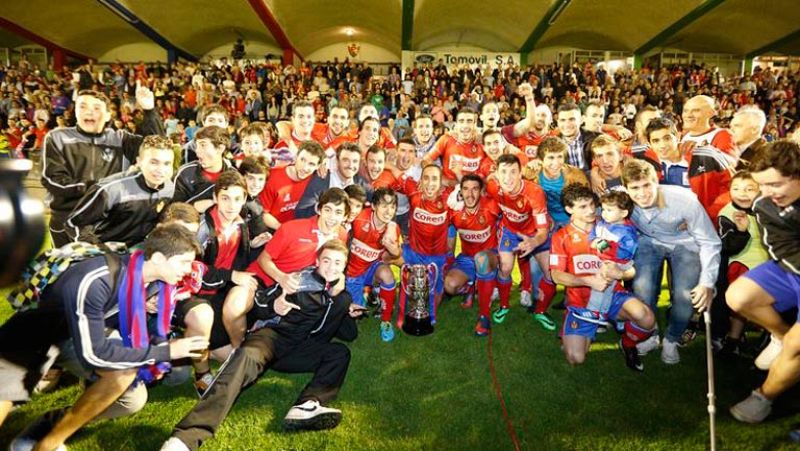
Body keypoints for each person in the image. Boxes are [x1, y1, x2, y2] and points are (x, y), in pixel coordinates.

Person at [0, 226, 207, 449]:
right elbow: (95, 354)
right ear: (157, 258)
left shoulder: (157, 283)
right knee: (4, 393)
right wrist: (167, 351)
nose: (188, 269)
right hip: (37, 332)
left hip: (81, 334)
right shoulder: (98, 277)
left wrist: (158, 349)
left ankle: (46, 439)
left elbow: (134, 329)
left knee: (130, 396)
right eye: (184, 262)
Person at [161, 241, 363, 450]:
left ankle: (307, 404)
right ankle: (186, 438)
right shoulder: (297, 280)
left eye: (338, 263)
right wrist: (275, 306)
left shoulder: (341, 296)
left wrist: (346, 308)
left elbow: (349, 334)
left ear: (344, 267)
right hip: (274, 338)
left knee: (340, 353)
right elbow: (258, 304)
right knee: (245, 357)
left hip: (302, 349)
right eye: (327, 261)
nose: (331, 267)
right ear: (317, 261)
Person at [726, 141, 800, 423]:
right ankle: (780, 335)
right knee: (738, 296)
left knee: (797, 344)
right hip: (791, 267)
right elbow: (781, 250)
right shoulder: (765, 205)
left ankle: (763, 397)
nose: (766, 193)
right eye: (762, 185)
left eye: (774, 184)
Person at [622, 160, 721, 364]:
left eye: (647, 185)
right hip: (650, 241)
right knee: (642, 288)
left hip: (686, 243)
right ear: (626, 188)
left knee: (686, 296)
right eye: (635, 188)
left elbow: (710, 242)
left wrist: (707, 282)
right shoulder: (622, 199)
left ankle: (671, 339)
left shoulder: (684, 200)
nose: (642, 193)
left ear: (656, 181)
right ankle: (649, 334)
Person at [550, 184, 655, 372]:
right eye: (582, 207)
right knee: (576, 358)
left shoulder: (611, 223)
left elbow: (631, 270)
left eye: (592, 204)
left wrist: (621, 274)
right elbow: (556, 275)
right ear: (569, 209)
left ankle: (628, 344)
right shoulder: (561, 237)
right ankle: (582, 330)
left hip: (613, 294)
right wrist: (587, 281)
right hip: (581, 303)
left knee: (646, 318)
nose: (591, 210)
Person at [42, 87, 163, 247]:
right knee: (67, 270)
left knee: (107, 269)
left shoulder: (120, 139)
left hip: (107, 223)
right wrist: (104, 188)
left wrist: (149, 111)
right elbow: (54, 181)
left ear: (108, 115)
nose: (89, 112)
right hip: (66, 220)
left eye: (96, 108)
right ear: (75, 111)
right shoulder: (58, 137)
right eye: (82, 106)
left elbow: (157, 146)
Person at [65, 135, 175, 246]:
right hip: (106, 250)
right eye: (154, 162)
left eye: (167, 163)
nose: (161, 170)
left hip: (138, 249)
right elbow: (74, 224)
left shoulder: (169, 188)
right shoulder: (110, 189)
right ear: (139, 162)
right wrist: (99, 250)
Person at [487, 154, 555, 330]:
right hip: (509, 231)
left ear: (520, 174)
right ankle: (504, 306)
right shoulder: (493, 186)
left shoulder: (534, 193)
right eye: (504, 172)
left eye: (513, 172)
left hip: (534, 234)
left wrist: (533, 242)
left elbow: (542, 230)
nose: (508, 178)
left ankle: (540, 311)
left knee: (550, 274)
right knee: (506, 267)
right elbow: (485, 184)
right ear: (497, 174)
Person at [716, 171, 769, 357]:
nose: (742, 193)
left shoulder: (766, 208)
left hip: (768, 261)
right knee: (742, 304)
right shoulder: (727, 213)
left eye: (749, 189)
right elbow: (727, 248)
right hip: (741, 263)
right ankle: (734, 338)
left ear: (760, 190)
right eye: (736, 188)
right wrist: (740, 232)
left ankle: (769, 335)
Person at [444, 174, 501, 336]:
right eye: (466, 189)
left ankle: (484, 317)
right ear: (460, 192)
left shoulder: (491, 206)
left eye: (475, 189)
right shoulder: (454, 212)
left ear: (481, 191)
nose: (470, 194)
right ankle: (471, 285)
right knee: (450, 285)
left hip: (490, 255)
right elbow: (448, 240)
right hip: (467, 257)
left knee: (481, 259)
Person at [345, 188, 402, 341]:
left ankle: (386, 321)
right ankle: (364, 294)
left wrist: (392, 248)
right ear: (374, 206)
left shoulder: (392, 228)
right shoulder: (359, 220)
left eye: (392, 206)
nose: (388, 211)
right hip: (352, 274)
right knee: (352, 320)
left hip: (371, 269)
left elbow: (396, 254)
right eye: (384, 205)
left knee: (387, 274)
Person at [588, 191, 638, 316]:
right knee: (602, 287)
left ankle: (597, 313)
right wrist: (593, 241)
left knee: (603, 286)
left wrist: (601, 245)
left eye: (609, 210)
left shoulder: (627, 232)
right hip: (601, 260)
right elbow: (592, 236)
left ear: (624, 213)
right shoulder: (601, 224)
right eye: (603, 209)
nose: (604, 213)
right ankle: (607, 313)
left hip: (618, 264)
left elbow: (624, 252)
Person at [259, 141, 326, 230]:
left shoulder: (317, 179)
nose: (305, 168)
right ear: (296, 157)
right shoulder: (273, 177)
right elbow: (263, 213)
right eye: (302, 160)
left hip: (302, 229)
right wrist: (283, 229)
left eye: (311, 164)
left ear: (318, 166)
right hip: (274, 229)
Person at [173, 126, 233, 212]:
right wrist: (194, 207)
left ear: (220, 148)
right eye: (196, 145)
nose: (197, 151)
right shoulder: (185, 174)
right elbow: (173, 212)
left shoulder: (234, 176)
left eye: (203, 145)